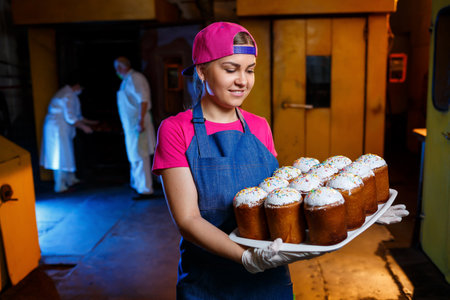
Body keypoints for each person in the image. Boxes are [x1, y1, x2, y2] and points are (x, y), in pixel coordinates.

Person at [152, 22, 409, 299]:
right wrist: (247, 259)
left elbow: (281, 201)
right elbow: (188, 220)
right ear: (202, 71)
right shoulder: (176, 130)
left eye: (249, 70)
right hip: (209, 282)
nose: (243, 81)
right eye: (231, 69)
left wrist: (360, 213)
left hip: (270, 278)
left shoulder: (259, 126)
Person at [114, 57, 157, 200]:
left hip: (138, 125)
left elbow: (143, 100)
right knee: (135, 156)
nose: (117, 71)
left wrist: (140, 121)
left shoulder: (135, 78)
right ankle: (138, 185)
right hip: (131, 125)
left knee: (140, 155)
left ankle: (145, 189)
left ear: (121, 67)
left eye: (117, 67)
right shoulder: (126, 81)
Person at [40, 82, 95, 193]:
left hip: (61, 128)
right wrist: (84, 127)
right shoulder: (67, 95)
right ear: (77, 85)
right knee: (60, 156)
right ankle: (60, 185)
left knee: (66, 154)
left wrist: (92, 123)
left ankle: (70, 179)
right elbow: (71, 118)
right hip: (57, 128)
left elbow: (78, 116)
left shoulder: (70, 94)